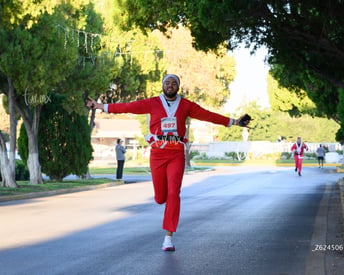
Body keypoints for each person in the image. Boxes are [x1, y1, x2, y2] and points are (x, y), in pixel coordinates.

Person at [86, 74, 251, 251]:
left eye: (174, 83)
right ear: (163, 85)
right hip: (158, 153)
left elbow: (207, 115)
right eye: (167, 82)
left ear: (178, 87)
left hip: (176, 153)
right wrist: (100, 106)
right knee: (160, 197)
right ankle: (161, 199)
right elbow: (128, 107)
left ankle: (168, 237)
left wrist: (234, 122)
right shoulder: (153, 102)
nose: (170, 85)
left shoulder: (186, 105)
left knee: (174, 193)